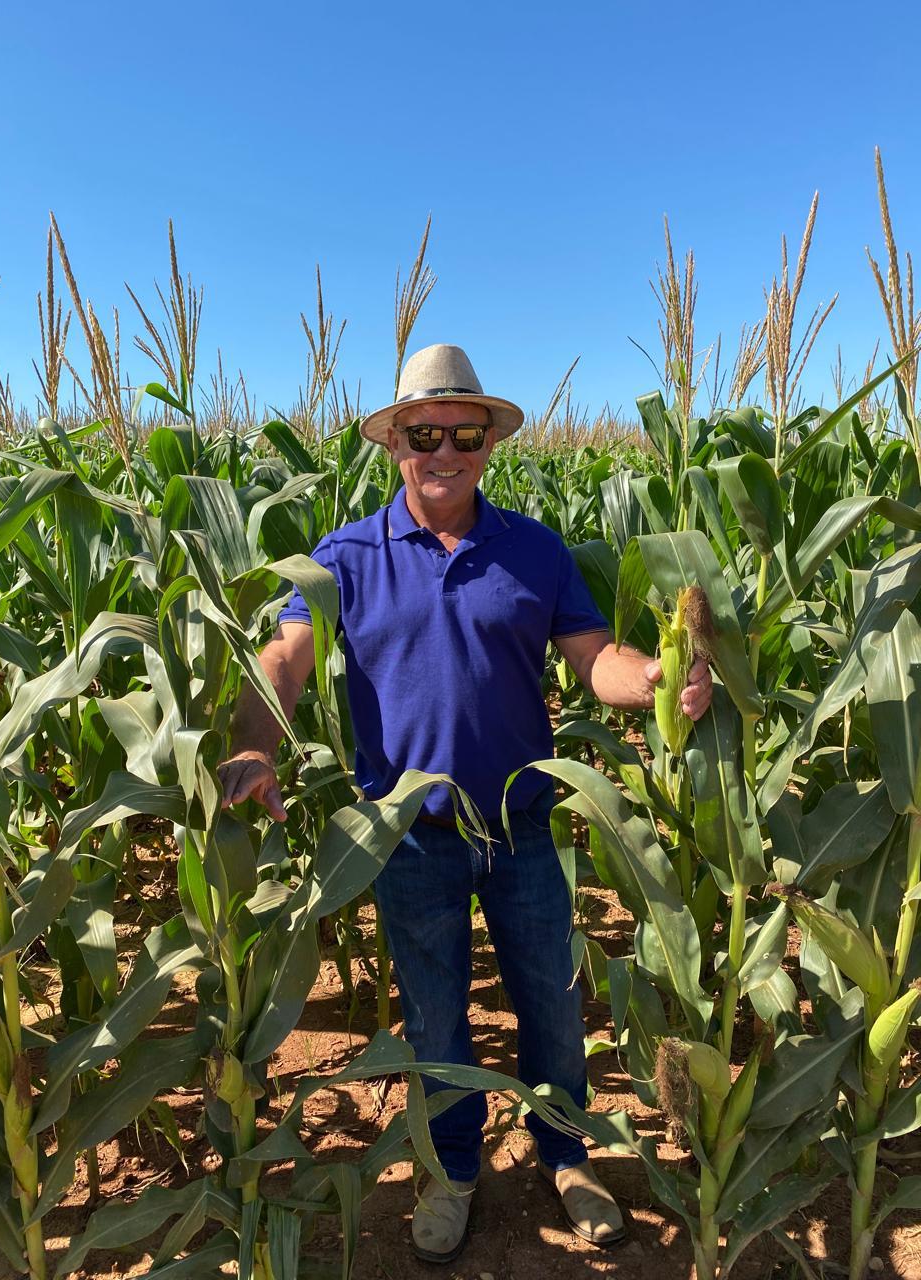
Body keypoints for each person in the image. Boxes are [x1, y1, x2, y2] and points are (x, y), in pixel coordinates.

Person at [218, 344, 713, 1263]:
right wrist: (256, 738)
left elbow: (592, 658)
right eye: (423, 433)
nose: (443, 450)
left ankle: (567, 1157)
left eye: (463, 433)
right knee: (437, 1016)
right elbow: (284, 656)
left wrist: (655, 676)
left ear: (489, 443)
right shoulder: (344, 558)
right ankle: (452, 1168)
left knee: (554, 1010)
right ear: (394, 441)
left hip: (524, 825)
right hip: (407, 839)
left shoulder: (533, 550)